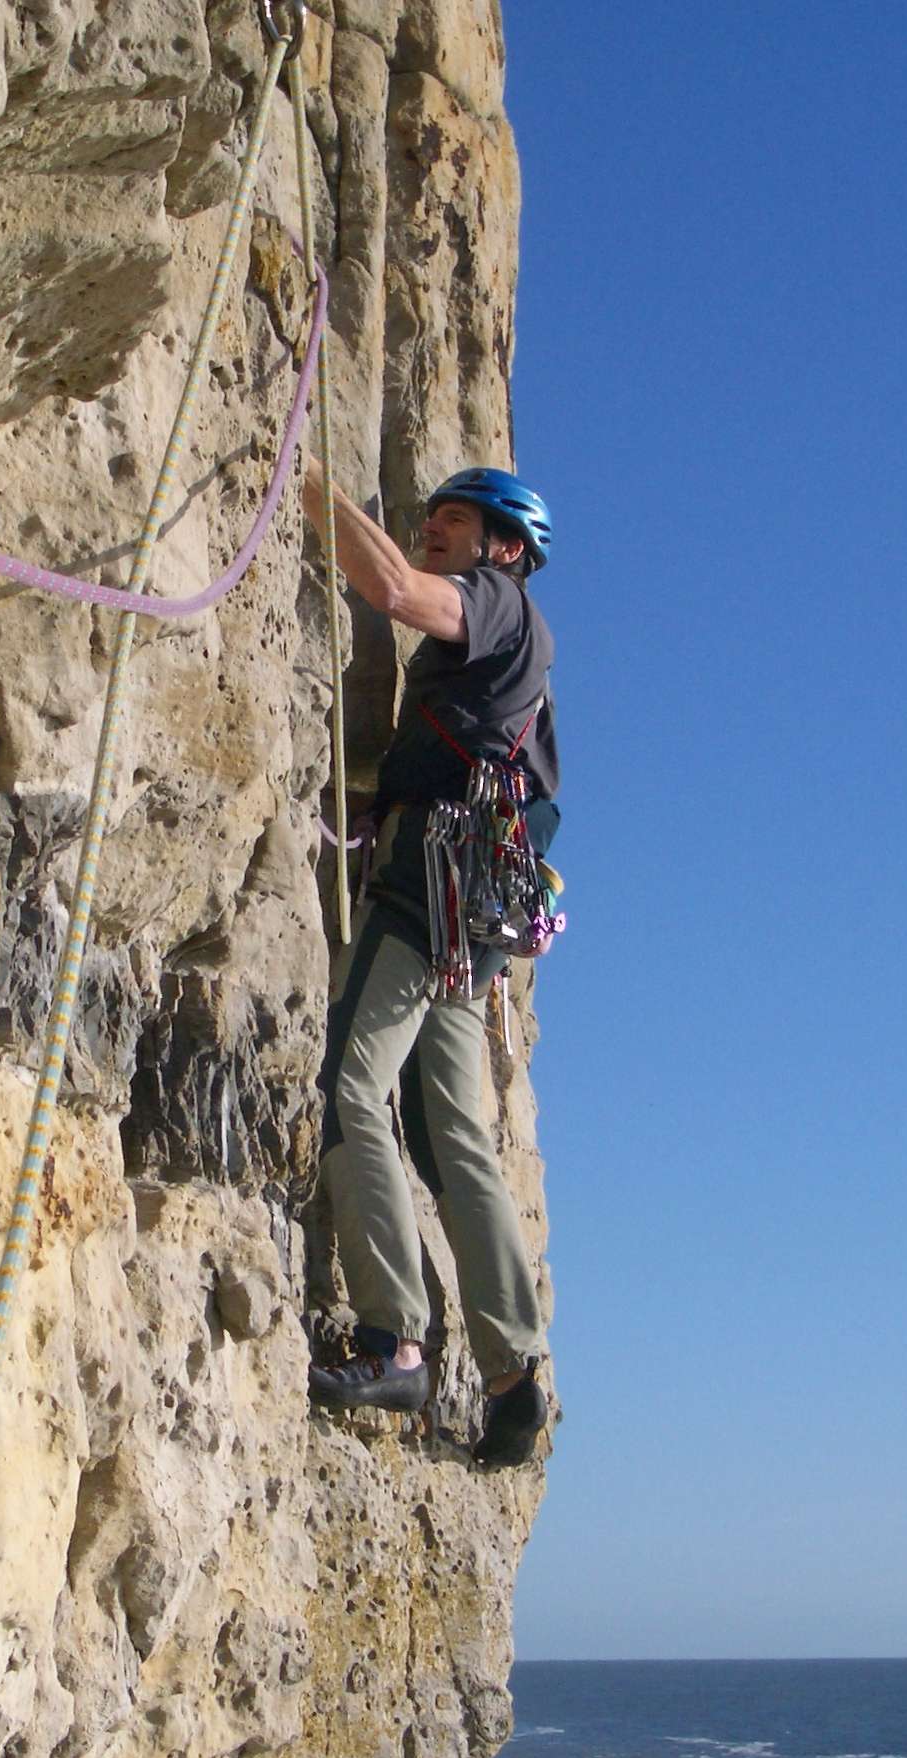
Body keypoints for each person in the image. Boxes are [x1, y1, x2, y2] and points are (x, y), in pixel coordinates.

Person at [302, 462, 559, 1468]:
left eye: (452, 521)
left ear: (504, 545)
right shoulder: (521, 650)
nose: (431, 532)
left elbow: (397, 594)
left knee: (348, 1088)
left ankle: (391, 1335)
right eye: (430, 519)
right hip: (476, 905)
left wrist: (319, 488)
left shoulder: (498, 603)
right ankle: (510, 1373)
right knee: (446, 1125)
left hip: (430, 882)